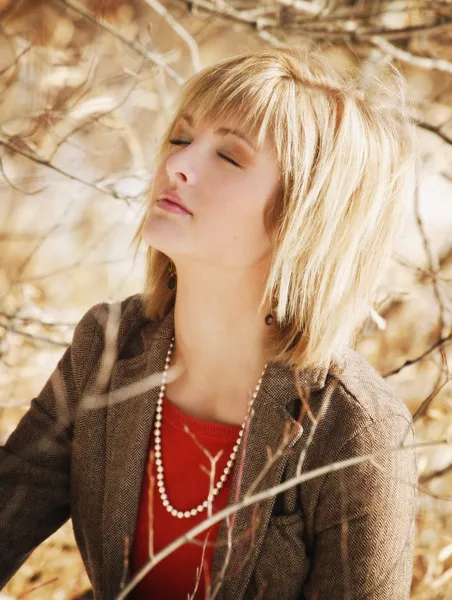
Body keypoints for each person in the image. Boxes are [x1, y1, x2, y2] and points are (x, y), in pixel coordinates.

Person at [0, 46, 419, 600]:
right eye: (180, 138)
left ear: (305, 213)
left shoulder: (355, 428)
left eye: (229, 156)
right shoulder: (106, 348)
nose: (178, 164)